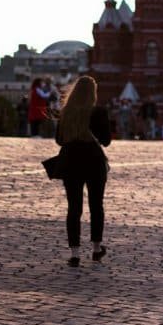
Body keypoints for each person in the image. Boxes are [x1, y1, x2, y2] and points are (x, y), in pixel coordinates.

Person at [54, 76, 112, 268]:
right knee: (96, 205)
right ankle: (96, 248)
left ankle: (75, 253)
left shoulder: (67, 112)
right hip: (94, 161)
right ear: (92, 93)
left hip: (71, 161)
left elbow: (59, 140)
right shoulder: (98, 112)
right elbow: (106, 140)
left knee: (74, 207)